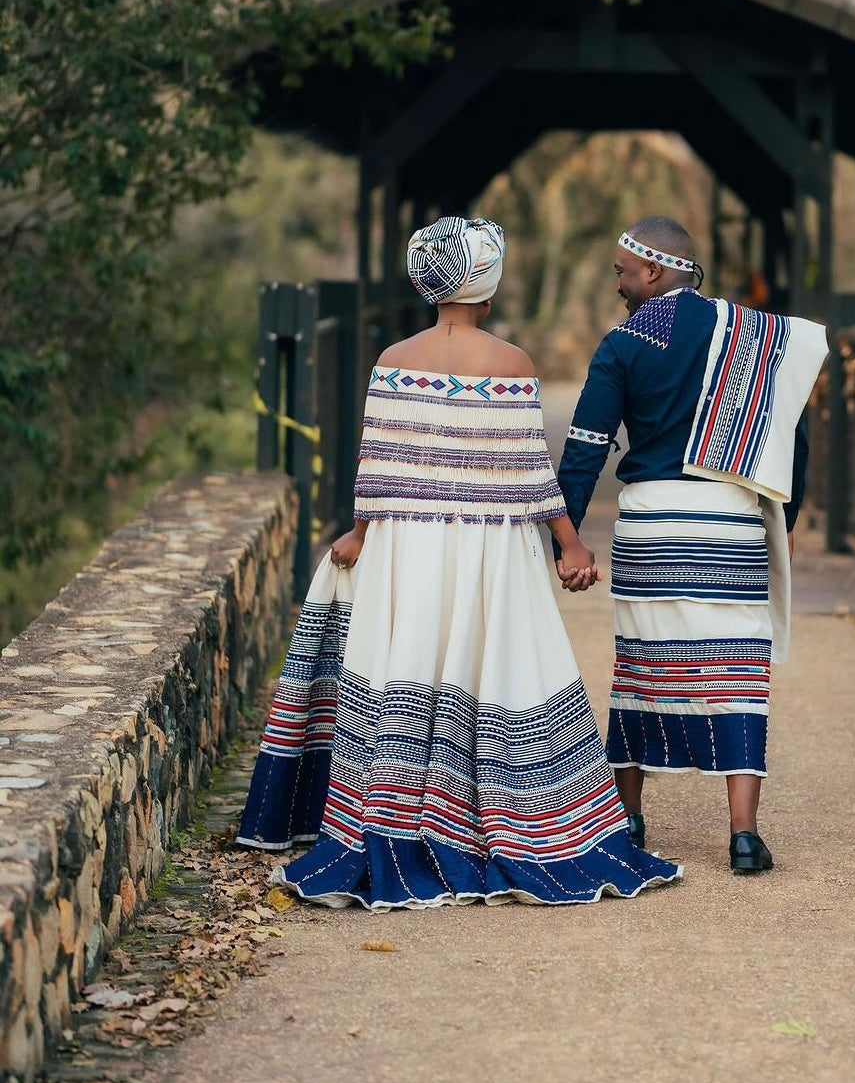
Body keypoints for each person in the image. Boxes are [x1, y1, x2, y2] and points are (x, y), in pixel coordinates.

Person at [237, 215, 681, 908]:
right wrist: (569, 543)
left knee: (408, 668)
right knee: (492, 671)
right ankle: (490, 819)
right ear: (488, 281)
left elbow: (376, 466)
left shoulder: (391, 359)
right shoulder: (512, 365)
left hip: (408, 544)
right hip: (487, 547)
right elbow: (530, 474)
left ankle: (392, 820)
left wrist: (357, 534)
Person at [557, 217, 826, 875]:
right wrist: (781, 523)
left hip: (651, 525)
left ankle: (630, 819)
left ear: (654, 271)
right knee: (737, 673)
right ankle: (743, 836)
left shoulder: (622, 344)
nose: (618, 283)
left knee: (640, 670)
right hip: (729, 523)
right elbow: (791, 433)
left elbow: (586, 449)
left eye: (623, 270)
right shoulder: (752, 336)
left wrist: (565, 540)